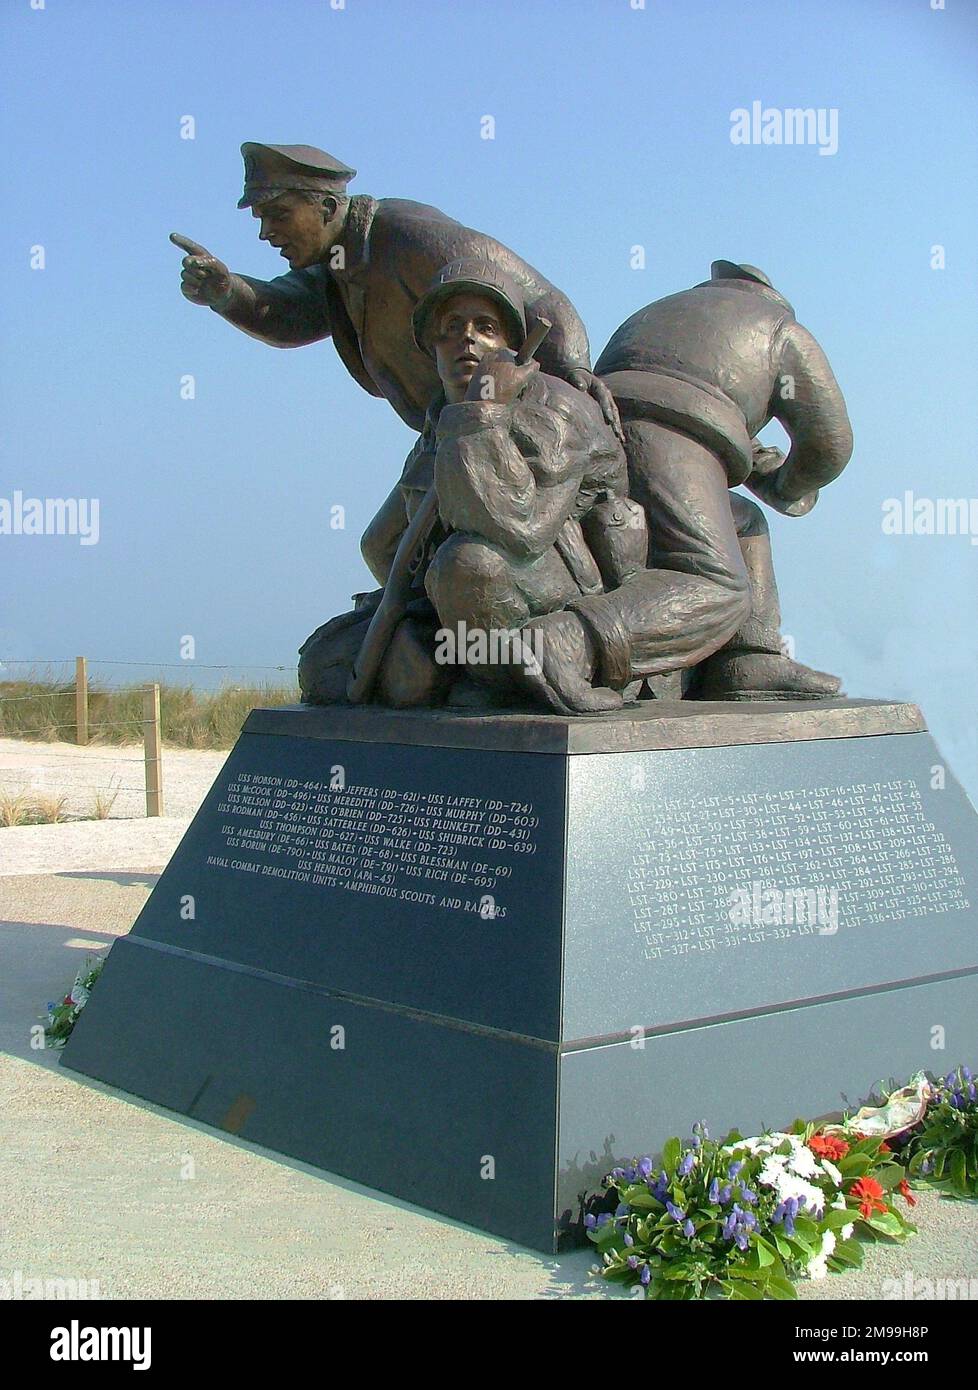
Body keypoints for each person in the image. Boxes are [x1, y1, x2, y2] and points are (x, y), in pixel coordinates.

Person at [298, 260, 640, 713]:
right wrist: (410, 605)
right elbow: (380, 544)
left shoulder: (555, 410)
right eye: (451, 327)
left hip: (556, 593)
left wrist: (482, 412)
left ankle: (495, 679)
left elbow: (523, 529)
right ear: (432, 348)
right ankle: (454, 659)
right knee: (323, 665)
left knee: (467, 565)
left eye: (486, 327)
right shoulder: (439, 419)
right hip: (459, 605)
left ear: (514, 350)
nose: (467, 338)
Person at [531, 259, 854, 701]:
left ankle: (746, 660)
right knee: (716, 584)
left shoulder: (660, 309)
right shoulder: (778, 328)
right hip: (672, 435)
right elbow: (829, 448)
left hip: (595, 429)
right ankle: (569, 642)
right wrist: (785, 485)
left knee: (744, 522)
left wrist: (749, 460)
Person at [170, 142, 620, 438]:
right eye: (262, 220)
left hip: (505, 421)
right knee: (382, 549)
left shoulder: (407, 237)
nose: (267, 234)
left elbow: (540, 297)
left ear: (327, 207)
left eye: (279, 216)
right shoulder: (338, 264)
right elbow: (286, 314)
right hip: (444, 431)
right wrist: (226, 292)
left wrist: (573, 370)